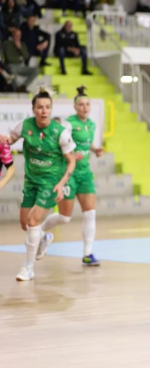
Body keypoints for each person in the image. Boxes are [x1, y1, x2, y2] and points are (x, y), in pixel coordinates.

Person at [0, 87, 76, 281]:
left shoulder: (60, 133)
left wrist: (61, 183)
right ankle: (44, 237)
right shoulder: (26, 125)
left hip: (50, 183)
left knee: (33, 221)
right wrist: (5, 140)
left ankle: (28, 267)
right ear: (33, 109)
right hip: (31, 180)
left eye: (47, 107)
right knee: (25, 224)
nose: (44, 111)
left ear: (51, 109)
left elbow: (72, 161)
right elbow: (11, 139)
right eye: (40, 107)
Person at [38, 86, 102, 266]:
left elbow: (87, 144)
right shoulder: (68, 124)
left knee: (90, 213)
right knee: (65, 218)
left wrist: (95, 150)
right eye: (81, 104)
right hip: (69, 173)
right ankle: (39, 232)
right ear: (75, 107)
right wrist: (72, 156)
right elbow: (59, 145)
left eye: (87, 104)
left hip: (85, 174)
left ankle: (87, 254)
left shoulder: (91, 124)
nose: (85, 107)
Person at [1, 27, 39, 92]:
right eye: (16, 35)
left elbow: (26, 57)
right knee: (12, 69)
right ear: (13, 35)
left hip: (21, 66)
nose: (18, 37)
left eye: (19, 35)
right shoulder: (7, 44)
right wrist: (19, 58)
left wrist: (19, 48)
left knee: (36, 70)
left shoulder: (22, 44)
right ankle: (17, 88)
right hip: (11, 65)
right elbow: (9, 59)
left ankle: (23, 87)